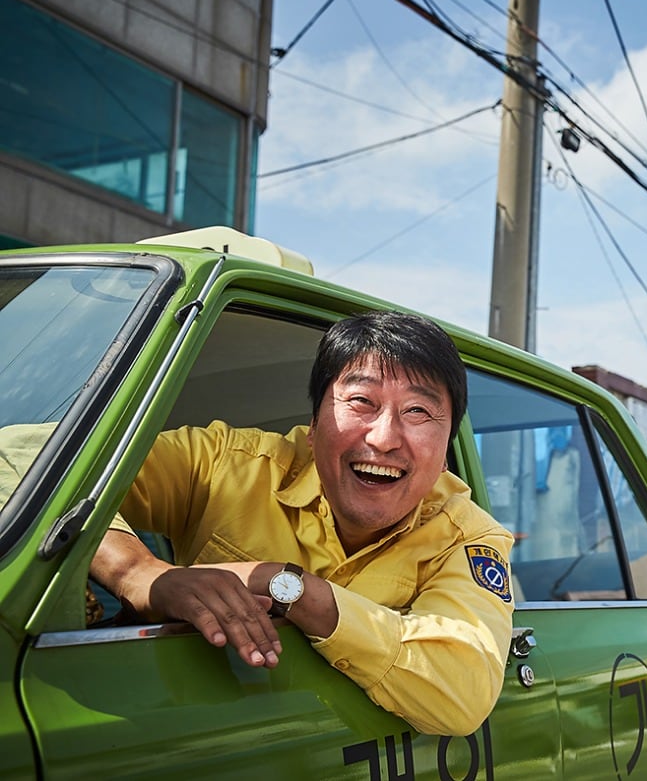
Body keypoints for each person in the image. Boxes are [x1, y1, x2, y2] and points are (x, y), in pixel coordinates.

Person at [90, 311, 515, 737]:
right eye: (361, 402)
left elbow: (462, 694)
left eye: (418, 411)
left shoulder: (469, 536)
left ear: (444, 455)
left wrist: (288, 587)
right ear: (312, 426)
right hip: (187, 739)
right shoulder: (225, 465)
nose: (384, 438)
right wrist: (139, 574)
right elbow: (30, 458)